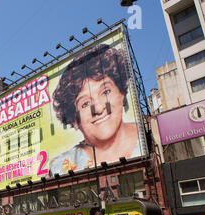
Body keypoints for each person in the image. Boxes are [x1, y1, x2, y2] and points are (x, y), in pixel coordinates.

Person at [49, 44, 140, 176]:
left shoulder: (145, 138)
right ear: (74, 120)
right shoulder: (60, 166)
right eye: (85, 104)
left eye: (106, 92)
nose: (98, 108)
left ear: (121, 93)